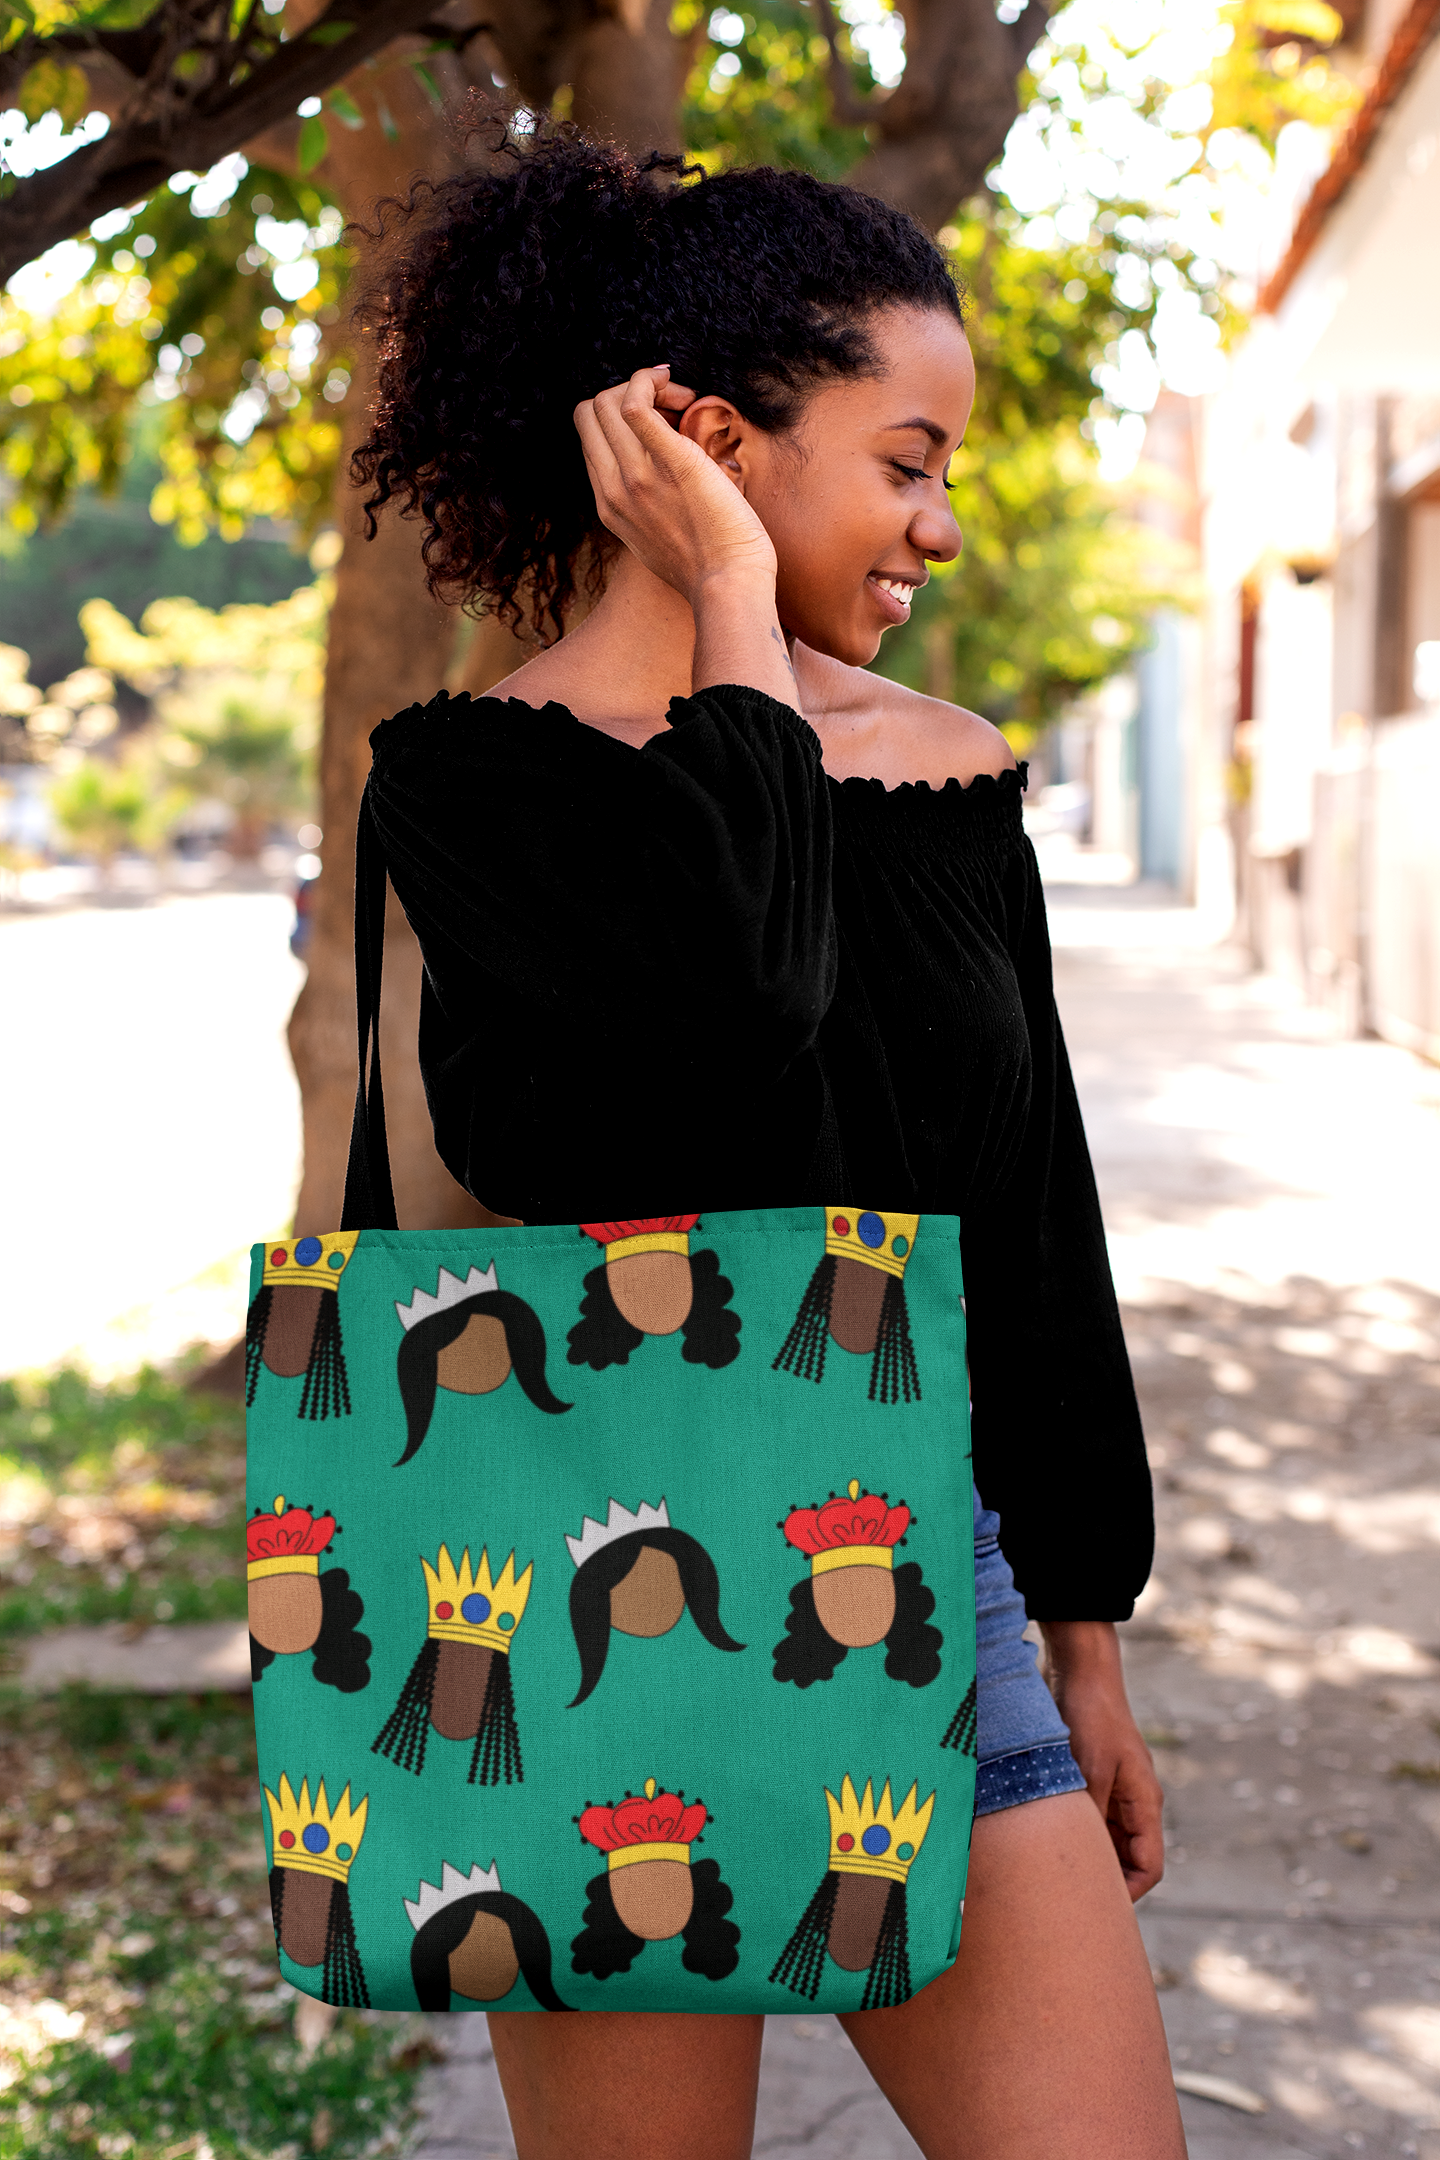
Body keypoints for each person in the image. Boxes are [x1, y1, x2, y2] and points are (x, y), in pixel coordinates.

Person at [351, 113, 1186, 2160]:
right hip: (572, 1607)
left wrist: (1084, 1629)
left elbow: (1028, 1218)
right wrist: (735, 616)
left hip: (932, 1582)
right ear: (709, 443)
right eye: (905, 465)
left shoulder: (950, 775)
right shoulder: (477, 796)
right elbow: (689, 1124)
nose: (944, 529)